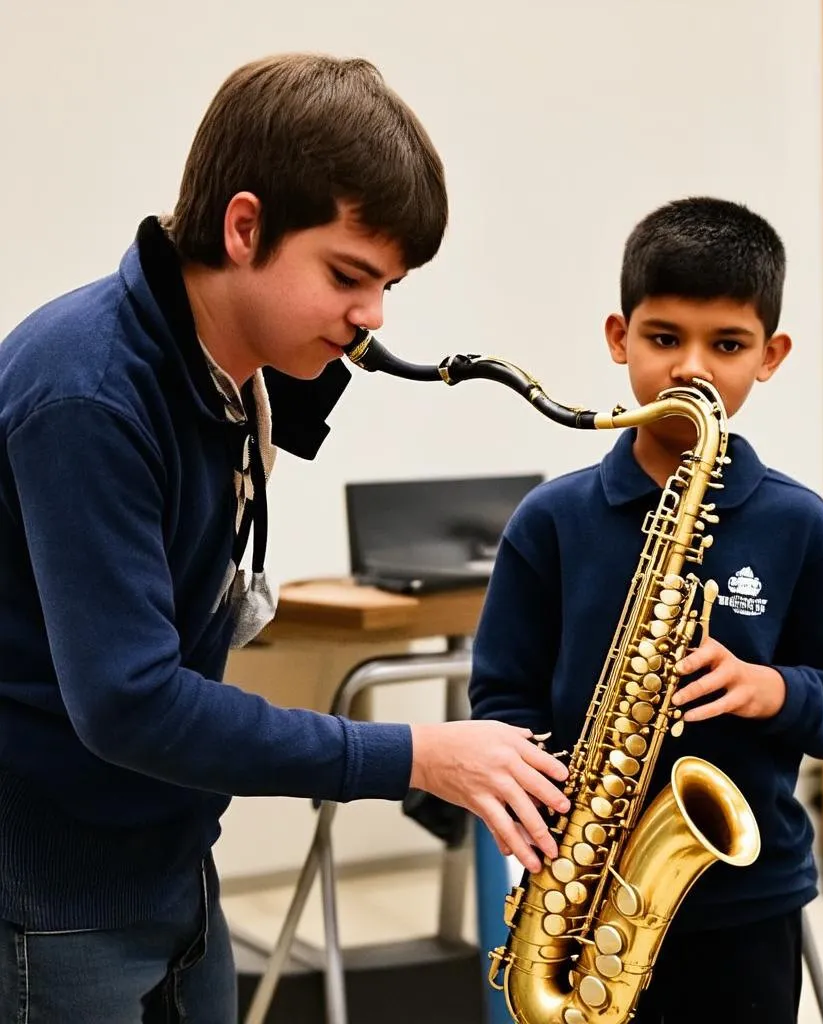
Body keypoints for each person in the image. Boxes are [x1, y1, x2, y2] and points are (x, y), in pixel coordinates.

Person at [0, 53, 569, 1023]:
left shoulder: (229, 370)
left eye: (387, 285)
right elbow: (128, 703)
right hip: (51, 899)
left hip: (172, 868)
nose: (371, 319)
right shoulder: (86, 391)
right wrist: (413, 756)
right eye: (349, 276)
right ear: (244, 226)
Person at [469, 196, 823, 1024]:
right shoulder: (551, 522)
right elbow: (503, 701)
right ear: (618, 337)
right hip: (579, 898)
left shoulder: (797, 524)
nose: (690, 369)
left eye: (726, 345)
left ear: (770, 356)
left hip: (748, 900)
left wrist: (773, 690)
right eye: (664, 338)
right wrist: (544, 818)